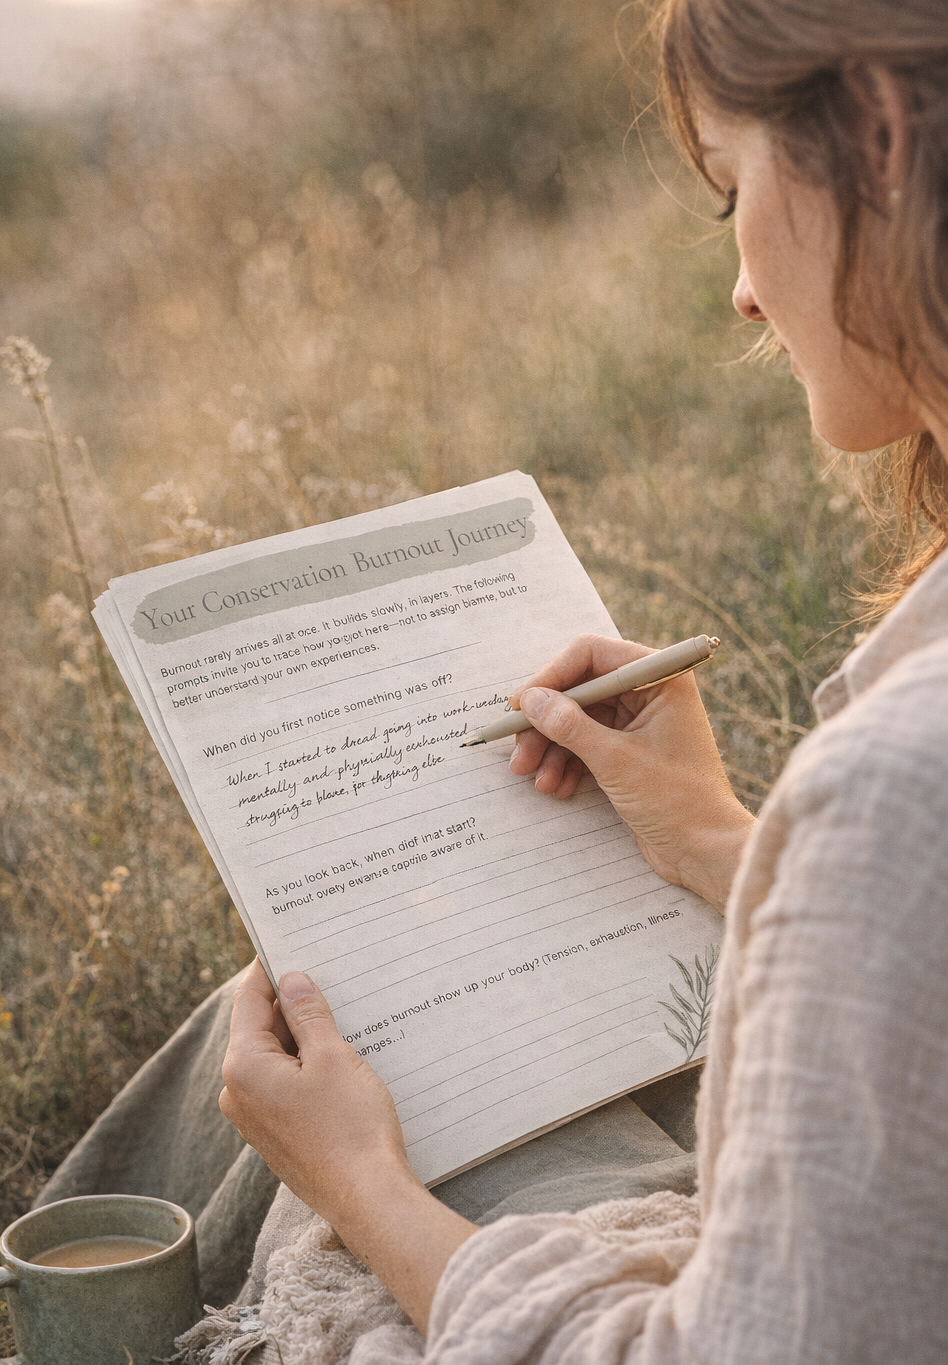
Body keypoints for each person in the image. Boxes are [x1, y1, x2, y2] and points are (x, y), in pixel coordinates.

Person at [215, 0, 948, 1359]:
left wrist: (365, 1195)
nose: (740, 285)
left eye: (733, 189)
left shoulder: (902, 781)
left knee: (275, 1037)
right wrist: (730, 847)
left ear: (883, 139)